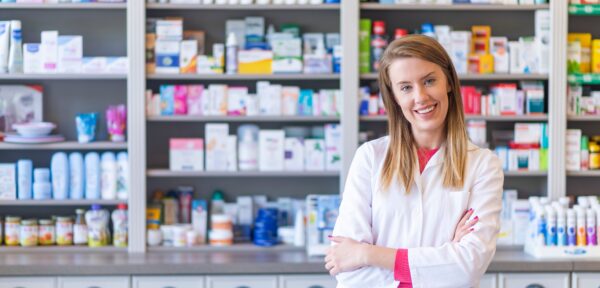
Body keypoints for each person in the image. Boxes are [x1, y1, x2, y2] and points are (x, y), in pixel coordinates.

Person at [324, 35, 504, 288]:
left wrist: (368, 253)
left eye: (429, 81)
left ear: (449, 83)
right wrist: (444, 257)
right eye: (406, 87)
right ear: (394, 97)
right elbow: (348, 270)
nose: (420, 97)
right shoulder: (370, 157)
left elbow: (468, 268)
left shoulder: (483, 165)